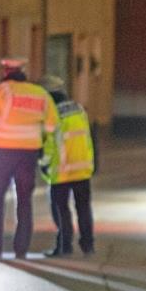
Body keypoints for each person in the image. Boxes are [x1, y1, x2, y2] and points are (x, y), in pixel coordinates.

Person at [0, 57, 58, 258]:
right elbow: (52, 125)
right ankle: (22, 248)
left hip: (3, 153)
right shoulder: (40, 94)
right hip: (28, 155)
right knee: (24, 201)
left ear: (5, 72)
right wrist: (38, 140)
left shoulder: (1, 92)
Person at [39, 75, 95, 256]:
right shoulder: (79, 109)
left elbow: (48, 145)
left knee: (61, 209)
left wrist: (43, 164)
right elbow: (89, 137)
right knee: (84, 208)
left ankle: (64, 245)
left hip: (61, 171)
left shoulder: (52, 114)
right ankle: (88, 245)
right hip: (82, 169)